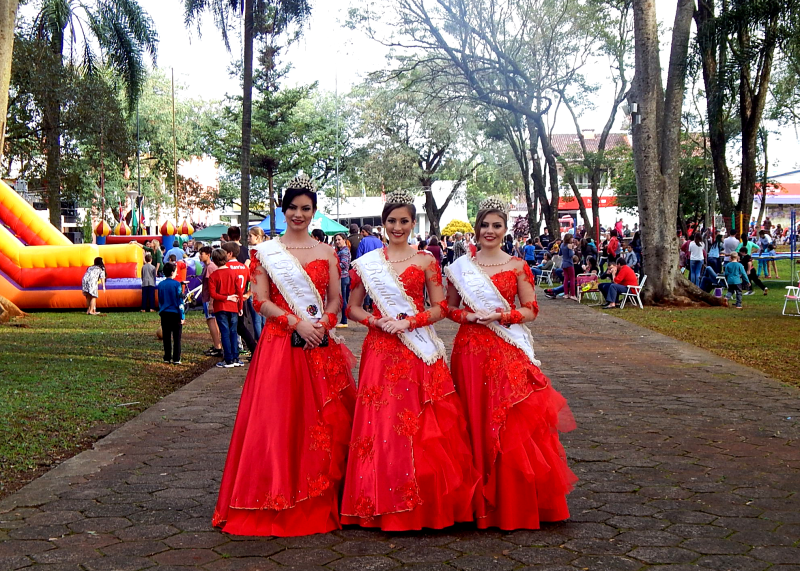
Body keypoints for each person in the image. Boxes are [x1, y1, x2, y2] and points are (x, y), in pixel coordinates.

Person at [213, 174, 356, 537]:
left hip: (320, 345)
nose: (298, 214)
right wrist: (296, 323)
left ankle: (320, 495)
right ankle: (274, 496)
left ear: (314, 211)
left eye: (305, 208)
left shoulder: (327, 253)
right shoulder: (267, 253)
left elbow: (336, 300)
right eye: (292, 207)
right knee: (278, 421)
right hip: (280, 345)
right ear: (283, 209)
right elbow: (259, 300)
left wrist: (323, 323)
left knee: (322, 423)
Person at [341, 189, 477, 531]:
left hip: (417, 348)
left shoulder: (426, 261)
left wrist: (408, 322)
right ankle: (380, 500)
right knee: (381, 423)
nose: (397, 226)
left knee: (420, 420)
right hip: (380, 349)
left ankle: (425, 503)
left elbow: (441, 306)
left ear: (413, 223)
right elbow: (352, 307)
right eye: (391, 221)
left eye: (403, 220)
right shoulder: (367, 264)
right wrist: (375, 321)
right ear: (383, 224)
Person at [445, 197, 576, 529]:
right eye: (485, 225)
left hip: (506, 350)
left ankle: (513, 501)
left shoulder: (517, 265)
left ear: (505, 230)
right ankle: (477, 503)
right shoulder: (460, 268)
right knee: (474, 418)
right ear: (476, 229)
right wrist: (470, 316)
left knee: (509, 419)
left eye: (496, 226)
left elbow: (532, 309)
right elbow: (449, 309)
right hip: (471, 350)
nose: (490, 231)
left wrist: (502, 315)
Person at [208, 248, 244, 368]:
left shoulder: (213, 276)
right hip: (233, 306)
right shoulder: (233, 274)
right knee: (233, 332)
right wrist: (240, 306)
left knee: (225, 333)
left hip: (220, 307)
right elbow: (239, 291)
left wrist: (226, 297)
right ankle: (235, 358)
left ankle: (228, 359)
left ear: (214, 260)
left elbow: (213, 294)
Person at [222, 242, 257, 361]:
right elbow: (254, 281)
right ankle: (251, 349)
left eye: (224, 253)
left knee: (231, 329)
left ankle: (232, 355)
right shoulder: (243, 267)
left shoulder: (226, 267)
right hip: (240, 301)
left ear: (230, 254)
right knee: (239, 327)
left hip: (228, 301)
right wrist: (248, 294)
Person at [157, 262, 185, 365]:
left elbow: (160, 299)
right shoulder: (177, 284)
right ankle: (176, 358)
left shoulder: (160, 285)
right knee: (177, 337)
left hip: (164, 313)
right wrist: (182, 315)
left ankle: (167, 357)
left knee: (166, 336)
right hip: (175, 313)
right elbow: (180, 301)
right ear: (172, 272)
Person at [199, 246, 223, 358]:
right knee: (213, 321)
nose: (200, 256)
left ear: (208, 255)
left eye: (202, 254)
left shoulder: (210, 267)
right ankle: (217, 345)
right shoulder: (209, 266)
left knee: (211, 321)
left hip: (208, 298)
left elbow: (211, 285)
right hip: (208, 297)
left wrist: (211, 302)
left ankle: (217, 346)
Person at [245, 227, 267, 340]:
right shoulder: (266, 250)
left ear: (257, 237)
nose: (248, 238)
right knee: (263, 321)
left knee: (257, 321)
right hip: (265, 290)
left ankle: (259, 347)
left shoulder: (256, 252)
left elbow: (255, 274)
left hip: (256, 290)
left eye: (250, 236)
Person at [333, 232, 351, 327]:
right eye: (336, 240)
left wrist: (333, 265)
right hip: (344, 277)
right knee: (343, 299)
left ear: (344, 239)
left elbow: (344, 265)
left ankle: (344, 321)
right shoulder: (341, 250)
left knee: (343, 300)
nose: (337, 242)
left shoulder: (343, 251)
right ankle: (344, 320)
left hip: (343, 278)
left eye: (339, 239)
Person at [560, 234, 578, 300]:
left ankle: (566, 293)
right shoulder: (569, 245)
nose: (573, 239)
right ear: (569, 239)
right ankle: (572, 294)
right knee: (572, 279)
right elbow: (571, 255)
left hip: (564, 263)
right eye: (572, 238)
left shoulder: (562, 245)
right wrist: (573, 250)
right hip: (569, 263)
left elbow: (560, 253)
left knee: (566, 279)